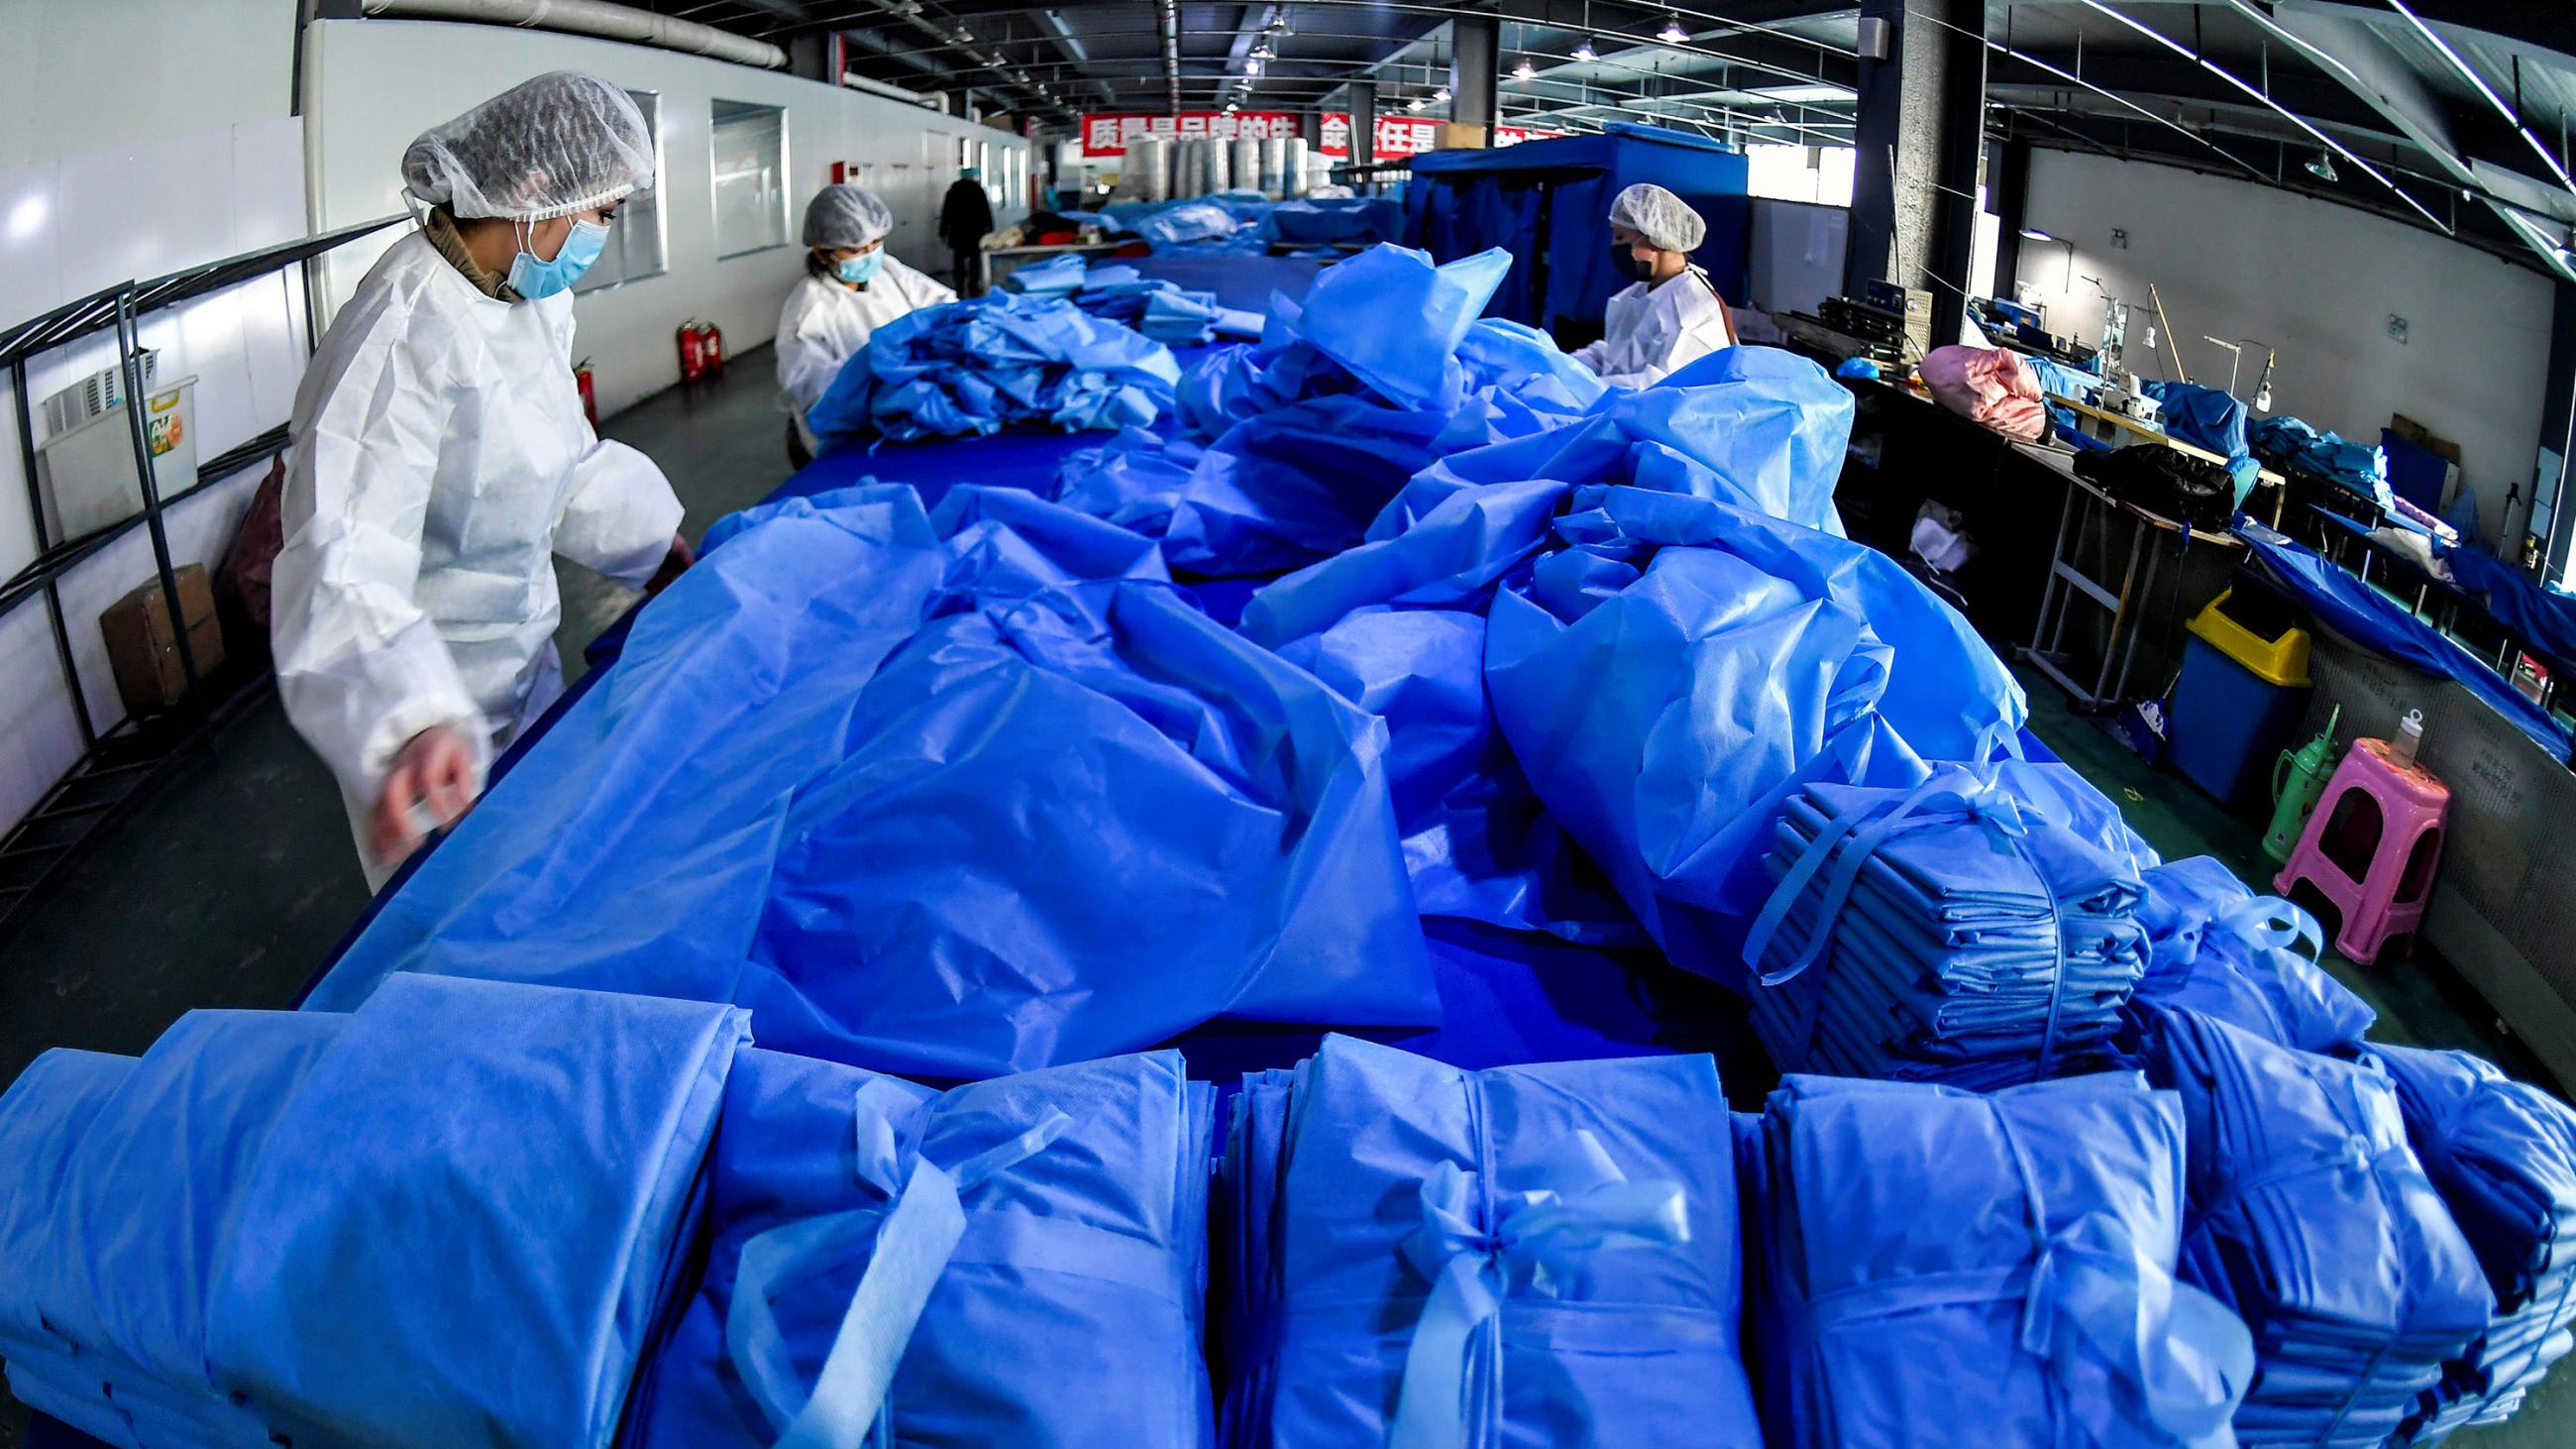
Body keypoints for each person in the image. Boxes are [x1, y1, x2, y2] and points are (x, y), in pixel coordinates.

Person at [272, 71, 694, 890]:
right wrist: (411, 720)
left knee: (548, 884)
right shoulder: (401, 333)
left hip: (524, 661)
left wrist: (651, 542)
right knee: (465, 921)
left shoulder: (527, 300)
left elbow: (557, 458)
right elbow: (342, 548)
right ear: (537, 190)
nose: (603, 233)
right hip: (433, 725)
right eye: (603, 212)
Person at [776, 184, 955, 467]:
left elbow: (944, 306)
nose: (870, 255)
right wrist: (887, 394)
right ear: (822, 252)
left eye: (875, 244)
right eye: (856, 249)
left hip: (903, 415)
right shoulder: (809, 308)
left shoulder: (890, 272)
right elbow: (818, 391)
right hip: (845, 436)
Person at [1573, 182, 1740, 389]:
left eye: (1620, 236)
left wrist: (1587, 387)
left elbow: (1662, 388)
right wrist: (1567, 366)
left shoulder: (1693, 311)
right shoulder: (1637, 294)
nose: (1614, 246)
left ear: (1655, 238)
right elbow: (1614, 354)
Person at [939, 166, 995, 295]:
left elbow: (946, 213)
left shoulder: (952, 192)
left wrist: (943, 231)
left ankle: (959, 287)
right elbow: (986, 211)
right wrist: (990, 228)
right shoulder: (978, 190)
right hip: (975, 232)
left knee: (958, 260)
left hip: (957, 232)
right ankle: (973, 286)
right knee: (975, 261)